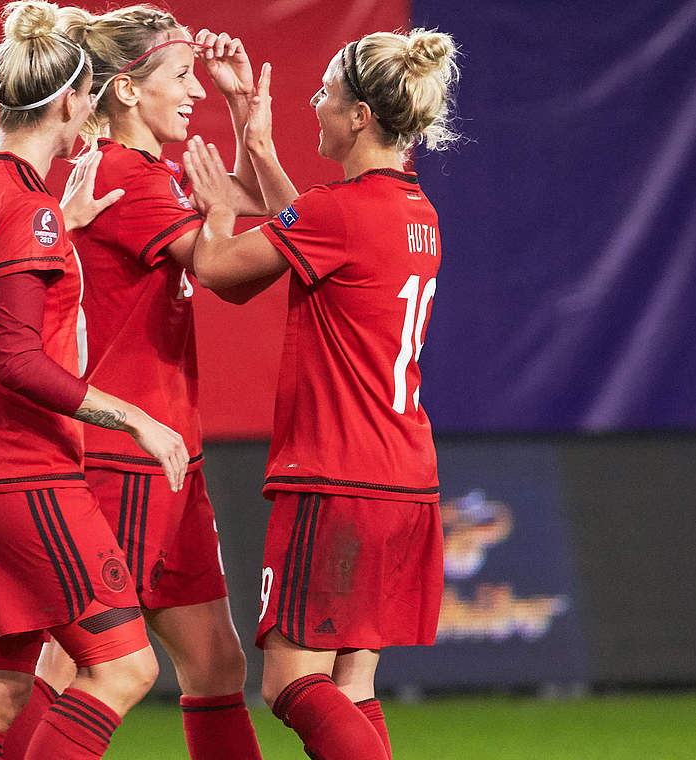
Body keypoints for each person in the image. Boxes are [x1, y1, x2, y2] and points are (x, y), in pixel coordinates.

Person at [0, 7, 286, 760]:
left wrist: (242, 111)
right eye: (181, 76)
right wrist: (334, 235)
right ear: (125, 91)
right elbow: (232, 270)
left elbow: (265, 209)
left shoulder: (150, 172)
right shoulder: (125, 177)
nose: (193, 90)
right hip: (117, 458)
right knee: (81, 666)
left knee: (215, 665)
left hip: (167, 463)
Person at [180, 28, 461, 760]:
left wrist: (214, 206)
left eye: (328, 93)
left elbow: (219, 271)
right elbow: (310, 227)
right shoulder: (415, 213)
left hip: (338, 478)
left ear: (361, 115)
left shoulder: (340, 213)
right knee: (353, 684)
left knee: (288, 684)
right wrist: (256, 134)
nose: (316, 101)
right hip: (404, 479)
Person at [0, 3, 192, 759]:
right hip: (22, 473)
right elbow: (18, 359)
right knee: (125, 667)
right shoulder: (27, 209)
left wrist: (57, 230)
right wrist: (134, 417)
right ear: (74, 101)